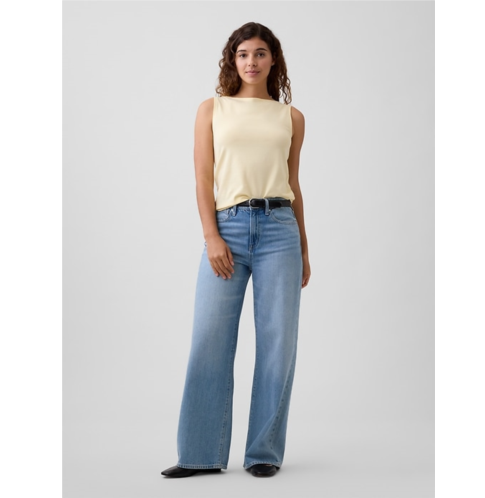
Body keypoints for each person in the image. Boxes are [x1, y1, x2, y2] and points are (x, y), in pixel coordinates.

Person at [162, 21, 311, 479]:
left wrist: (304, 249)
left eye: (260, 53)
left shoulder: (291, 118)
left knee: (278, 343)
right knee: (209, 338)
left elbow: (293, 183)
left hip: (280, 232)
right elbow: (202, 178)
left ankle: (263, 452)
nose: (251, 61)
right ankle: (199, 454)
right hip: (227, 227)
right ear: (232, 60)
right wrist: (211, 236)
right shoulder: (212, 110)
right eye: (243, 54)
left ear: (273, 59)